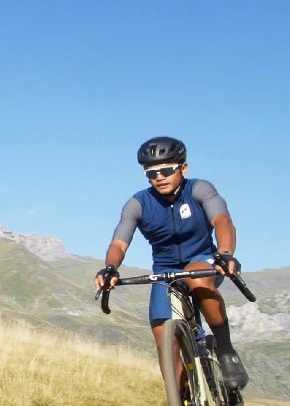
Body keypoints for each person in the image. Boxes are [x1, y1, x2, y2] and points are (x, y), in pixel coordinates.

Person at [95, 136, 249, 389]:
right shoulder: (138, 203)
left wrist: (225, 253)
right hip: (165, 271)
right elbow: (119, 243)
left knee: (196, 277)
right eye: (151, 173)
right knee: (163, 341)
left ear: (183, 168)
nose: (159, 177)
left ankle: (225, 349)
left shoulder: (200, 190)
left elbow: (222, 221)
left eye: (166, 170)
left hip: (204, 260)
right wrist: (111, 268)